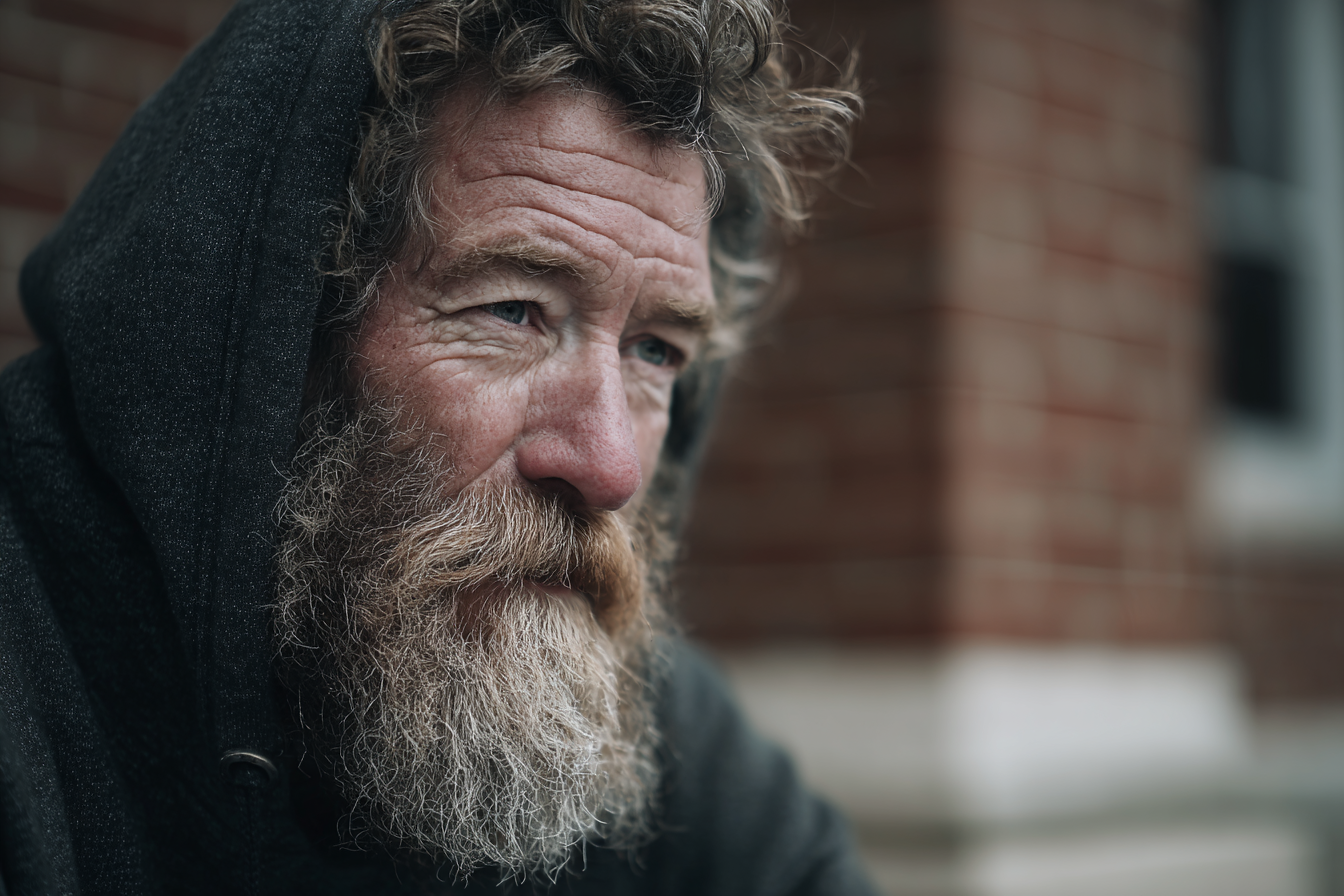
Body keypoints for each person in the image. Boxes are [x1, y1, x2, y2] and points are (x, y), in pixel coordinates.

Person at [0, 0, 872, 892]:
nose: (609, 467)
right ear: (278, 329)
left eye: (655, 350)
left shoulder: (599, 697)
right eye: (513, 311)